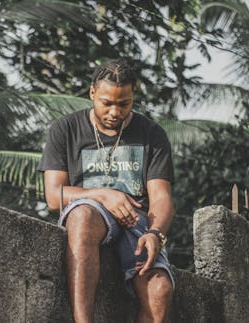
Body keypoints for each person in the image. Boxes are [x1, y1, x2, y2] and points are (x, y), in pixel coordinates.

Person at [37, 59, 175, 323]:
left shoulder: (152, 134)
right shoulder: (65, 129)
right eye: (106, 103)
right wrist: (102, 195)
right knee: (83, 217)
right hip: (91, 211)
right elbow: (54, 197)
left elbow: (161, 197)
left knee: (160, 292)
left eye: (124, 104)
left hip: (137, 221)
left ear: (133, 96)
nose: (115, 112)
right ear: (92, 93)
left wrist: (155, 234)